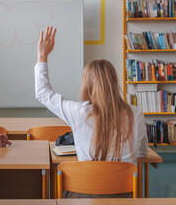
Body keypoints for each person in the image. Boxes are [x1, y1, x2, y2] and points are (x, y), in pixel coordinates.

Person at [35, 27, 148, 198]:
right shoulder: (136, 113)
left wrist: (42, 57)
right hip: (122, 195)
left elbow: (43, 93)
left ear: (86, 84)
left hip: (83, 195)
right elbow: (142, 152)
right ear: (114, 82)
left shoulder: (78, 112)